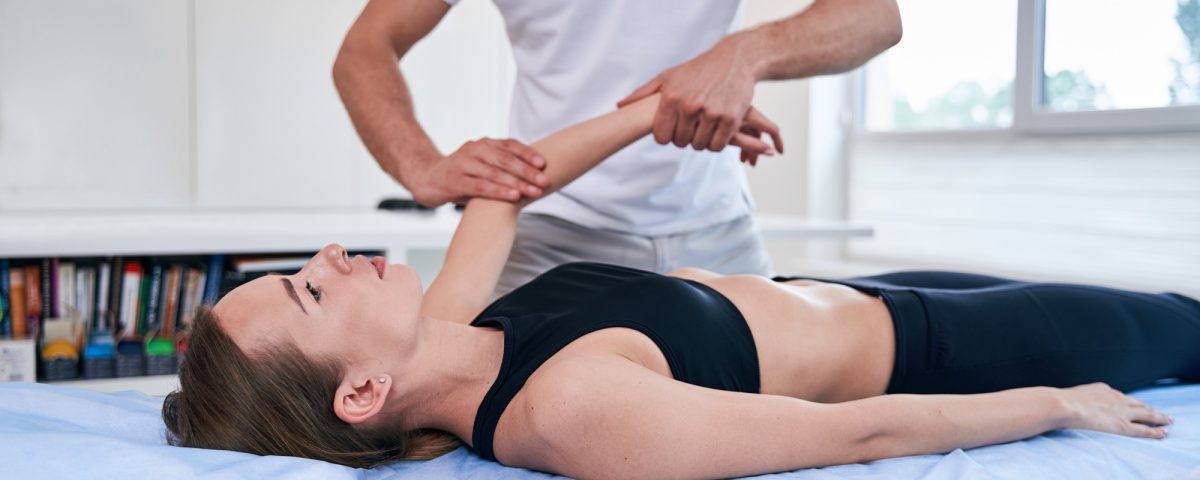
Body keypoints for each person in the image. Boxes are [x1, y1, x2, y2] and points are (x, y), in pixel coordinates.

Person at [163, 96, 1199, 479]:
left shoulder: (448, 326)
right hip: (939, 350)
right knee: (1184, 328)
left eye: (299, 268)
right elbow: (862, 437)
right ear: (359, 395)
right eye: (310, 295)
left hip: (866, 292)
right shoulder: (563, 412)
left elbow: (521, 176)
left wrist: (672, 107)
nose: (331, 261)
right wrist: (1059, 406)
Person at [333, 0, 903, 294]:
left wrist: (745, 54)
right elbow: (365, 48)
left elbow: (874, 16)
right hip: (547, 246)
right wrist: (422, 167)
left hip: (718, 237)